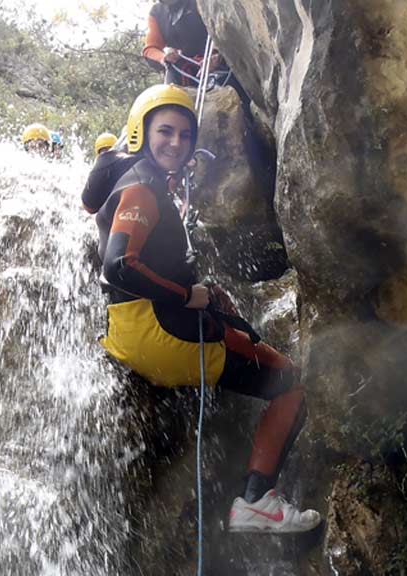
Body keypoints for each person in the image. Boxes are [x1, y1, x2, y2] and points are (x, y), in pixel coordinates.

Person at [94, 83, 320, 533]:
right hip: (161, 334)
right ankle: (256, 501)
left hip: (135, 328)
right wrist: (187, 296)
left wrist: (203, 294)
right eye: (165, 132)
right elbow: (118, 265)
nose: (175, 143)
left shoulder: (137, 178)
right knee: (290, 382)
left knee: (243, 338)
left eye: (183, 134)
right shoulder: (141, 188)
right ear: (141, 132)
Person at [142, 0, 220, 87]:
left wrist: (215, 53)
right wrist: (164, 57)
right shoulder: (157, 13)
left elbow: (222, 27)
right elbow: (150, 49)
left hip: (216, 66)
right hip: (181, 74)